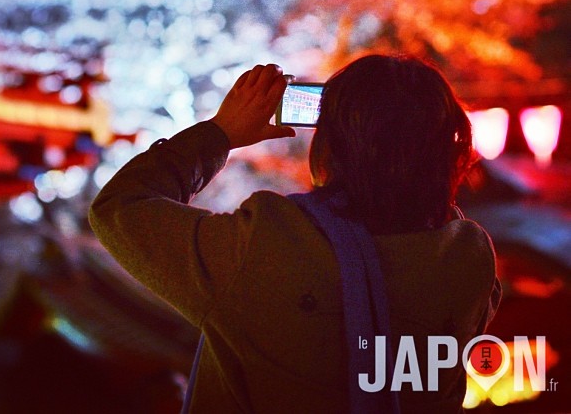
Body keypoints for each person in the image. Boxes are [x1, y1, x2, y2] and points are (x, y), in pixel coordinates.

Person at [89, 55, 501, 413]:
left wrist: (220, 133)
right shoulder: (468, 263)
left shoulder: (264, 246)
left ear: (332, 145)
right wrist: (419, 167)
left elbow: (119, 208)